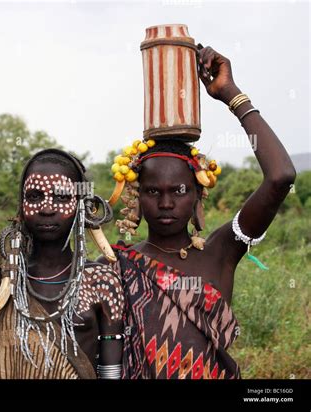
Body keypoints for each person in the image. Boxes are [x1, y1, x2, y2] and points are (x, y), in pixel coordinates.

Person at [101, 46, 296, 379]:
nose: (165, 203)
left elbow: (280, 177)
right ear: (136, 195)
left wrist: (231, 95)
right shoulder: (117, 264)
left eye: (178, 191)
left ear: (197, 194)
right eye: (153, 192)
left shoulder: (221, 251)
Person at [0, 149, 125, 379]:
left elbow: (111, 372)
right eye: (34, 196)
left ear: (80, 204)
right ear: (21, 205)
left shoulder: (102, 284)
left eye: (62, 197)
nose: (47, 208)